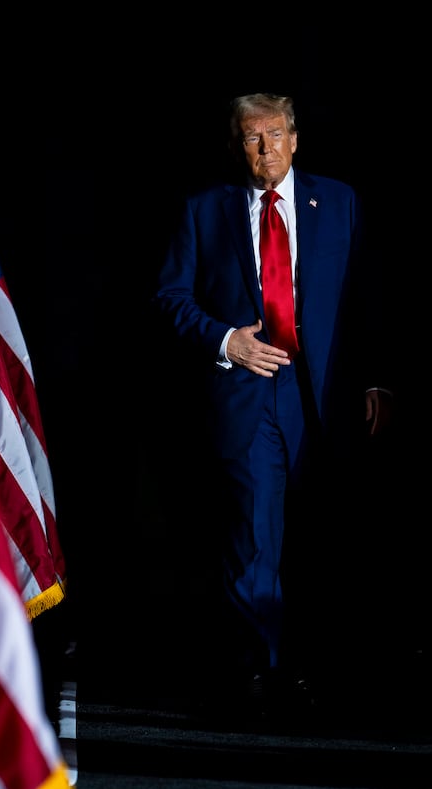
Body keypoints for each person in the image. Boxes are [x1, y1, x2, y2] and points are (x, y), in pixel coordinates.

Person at [152, 92, 394, 719]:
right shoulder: (204, 211)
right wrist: (225, 340)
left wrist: (375, 378)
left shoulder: (338, 202)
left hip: (325, 396)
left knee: (319, 537)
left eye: (276, 134)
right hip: (250, 395)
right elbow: (171, 297)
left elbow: (364, 295)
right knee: (256, 537)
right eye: (252, 138)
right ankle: (259, 668)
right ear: (236, 146)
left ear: (296, 139)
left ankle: (312, 666)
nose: (266, 148)